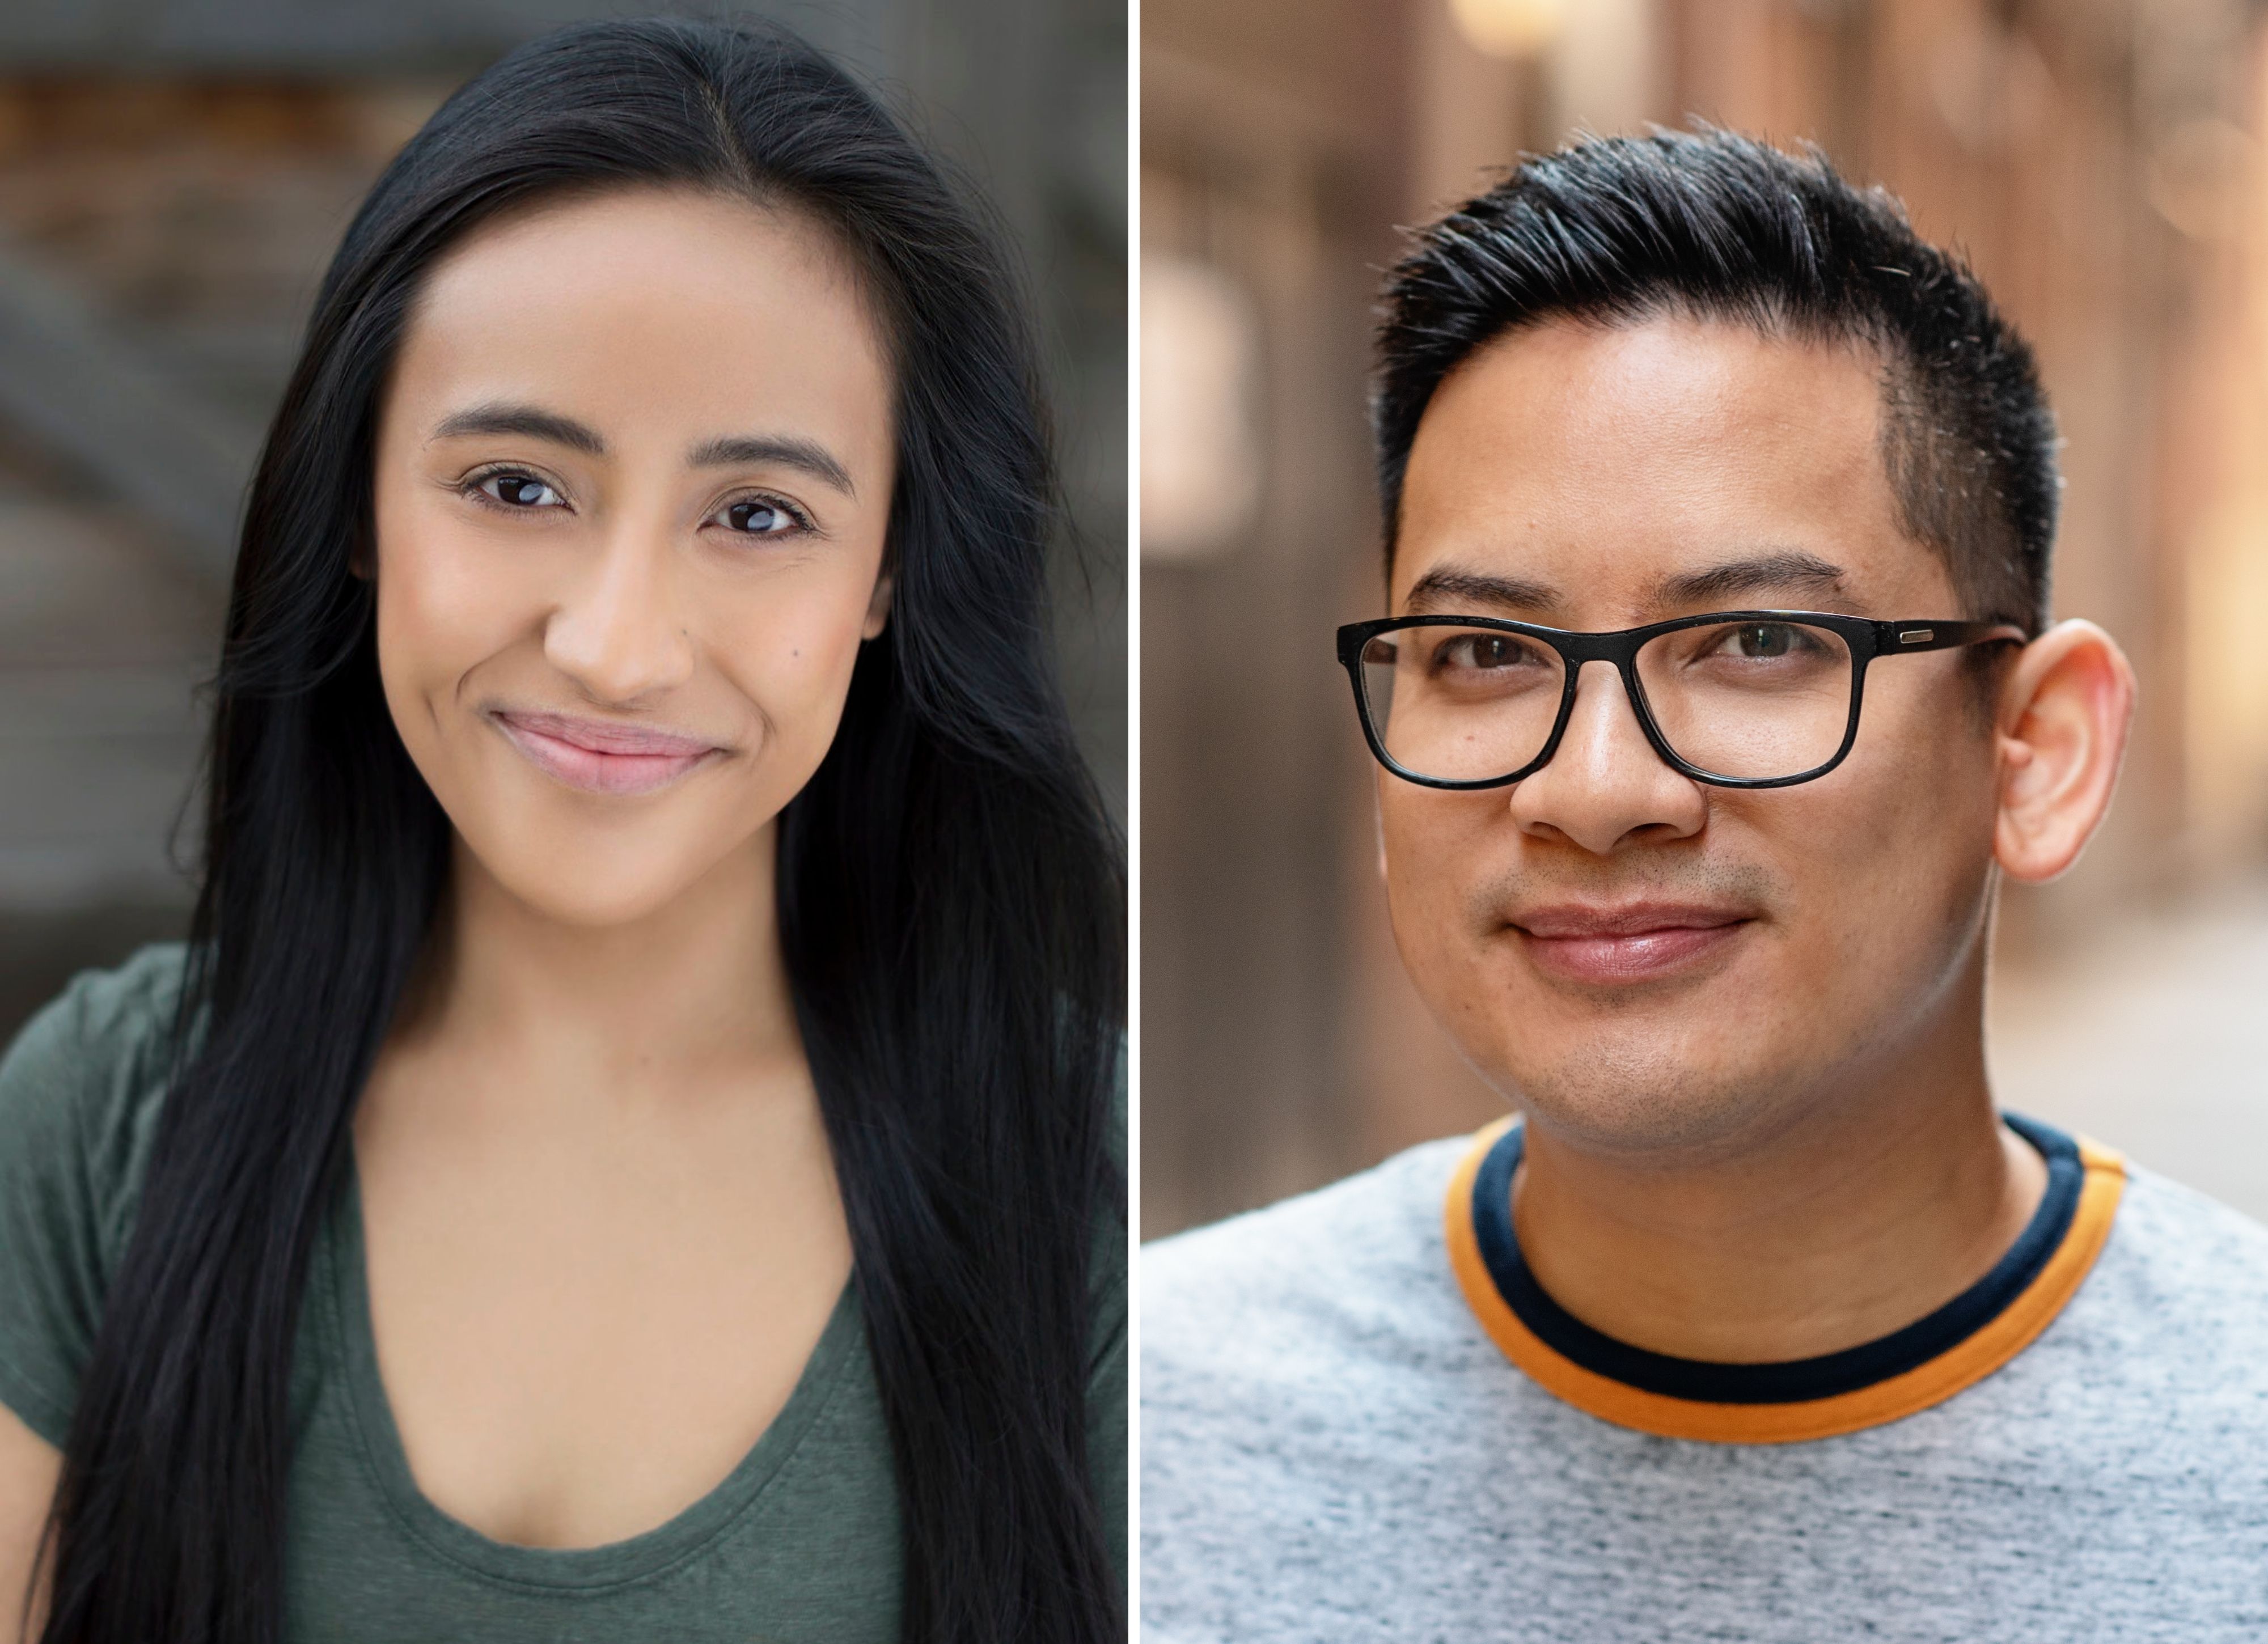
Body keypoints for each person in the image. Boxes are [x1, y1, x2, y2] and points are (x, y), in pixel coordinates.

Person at [0, 18, 1124, 1644]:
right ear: (362, 508)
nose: (614, 642)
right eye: (517, 485)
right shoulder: (94, 1130)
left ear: (886, 577)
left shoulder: (1085, 1186)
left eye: (757, 515)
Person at [1141, 129, 2268, 1642]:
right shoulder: (1139, 1425)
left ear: (2033, 751)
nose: (1595, 790)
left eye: (1756, 643)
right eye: (1486, 654)